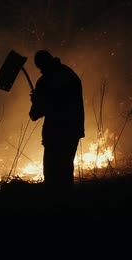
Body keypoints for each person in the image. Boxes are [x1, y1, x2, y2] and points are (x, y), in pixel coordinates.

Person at [29, 50, 85, 191]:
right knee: (66, 173)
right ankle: (67, 207)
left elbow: (35, 114)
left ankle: (54, 209)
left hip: (55, 135)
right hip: (73, 132)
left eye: (40, 68)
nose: (41, 71)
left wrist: (37, 100)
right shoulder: (70, 74)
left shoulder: (45, 81)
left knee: (52, 176)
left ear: (42, 65)